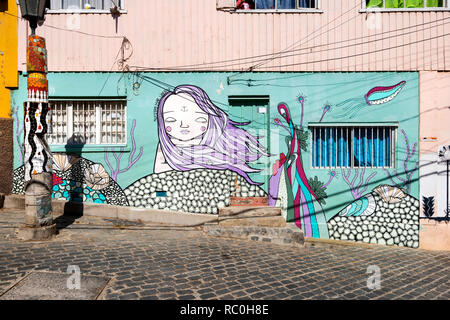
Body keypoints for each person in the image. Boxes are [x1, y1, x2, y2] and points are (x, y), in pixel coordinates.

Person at [153, 85, 267, 185]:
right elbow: (160, 176)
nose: (183, 125)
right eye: (171, 120)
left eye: (198, 119)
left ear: (210, 118)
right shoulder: (166, 147)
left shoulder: (218, 142)